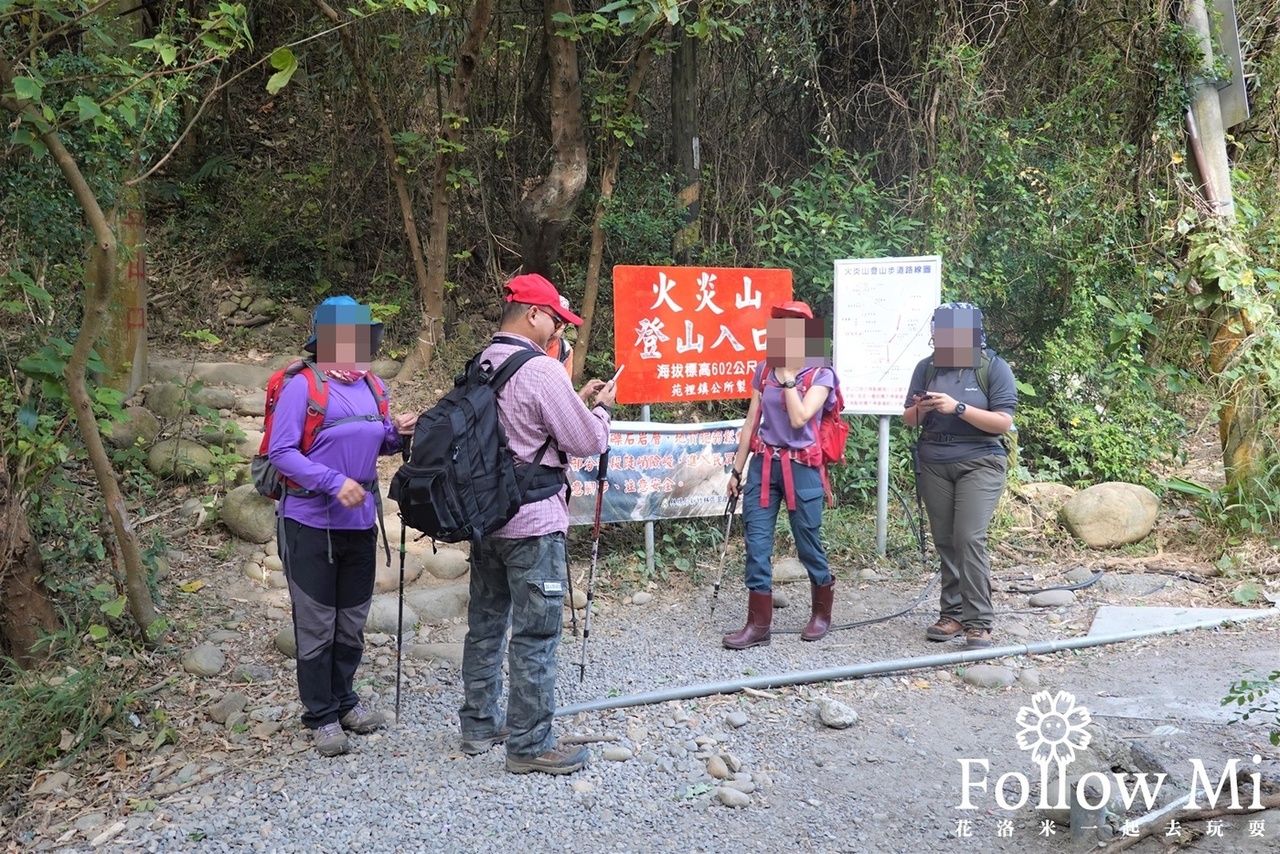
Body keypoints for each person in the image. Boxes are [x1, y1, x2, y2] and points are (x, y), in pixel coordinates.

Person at [459, 272, 616, 775]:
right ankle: (529, 746)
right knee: (536, 635)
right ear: (532, 313)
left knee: (485, 625)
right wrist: (601, 410)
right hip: (532, 521)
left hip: (485, 519)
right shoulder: (542, 370)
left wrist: (574, 396)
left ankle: (479, 723)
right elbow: (586, 441)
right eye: (554, 319)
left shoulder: (479, 363)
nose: (557, 331)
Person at [268, 296, 417, 757]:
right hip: (309, 521)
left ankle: (346, 701)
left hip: (358, 522)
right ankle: (322, 715)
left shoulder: (371, 386)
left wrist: (398, 433)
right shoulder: (305, 387)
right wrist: (334, 483)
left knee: (351, 620)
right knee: (316, 622)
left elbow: (377, 442)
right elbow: (282, 451)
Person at [902, 302, 1016, 650]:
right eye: (939, 332)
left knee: (969, 537)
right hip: (934, 459)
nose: (942, 338)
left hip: (981, 460)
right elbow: (908, 419)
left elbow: (1003, 422)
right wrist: (920, 409)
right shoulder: (926, 368)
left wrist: (959, 408)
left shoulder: (992, 368)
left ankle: (978, 621)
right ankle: (952, 613)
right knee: (946, 539)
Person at [724, 300, 839, 649]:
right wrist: (737, 469)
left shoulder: (821, 373)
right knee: (756, 543)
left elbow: (801, 418)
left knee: (808, 544)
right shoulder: (763, 370)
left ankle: (821, 613)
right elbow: (751, 422)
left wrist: (789, 381)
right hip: (763, 466)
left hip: (802, 468)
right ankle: (758, 625)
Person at [544, 294, 575, 378]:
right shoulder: (526, 340)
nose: (559, 326)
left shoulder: (564, 350)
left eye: (563, 322)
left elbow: (565, 387)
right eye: (555, 320)